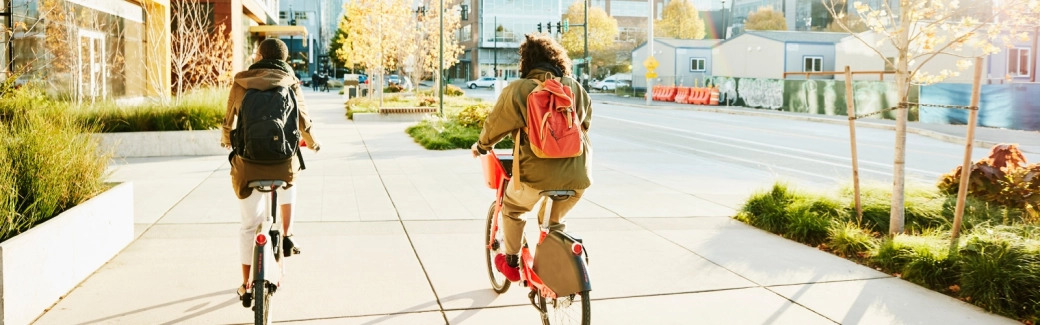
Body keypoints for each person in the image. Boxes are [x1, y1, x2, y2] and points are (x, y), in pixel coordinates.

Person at [470, 33, 593, 282]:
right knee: (553, 221)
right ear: (558, 60)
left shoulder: (518, 90)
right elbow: (586, 124)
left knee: (513, 209)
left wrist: (481, 147)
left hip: (534, 178)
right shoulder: (574, 88)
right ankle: (559, 260)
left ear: (527, 63)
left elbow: (494, 126)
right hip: (578, 177)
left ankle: (512, 263)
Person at [221, 38, 321, 300]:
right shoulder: (290, 81)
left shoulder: (241, 82)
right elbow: (303, 120)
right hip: (281, 165)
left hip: (248, 167)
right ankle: (287, 234)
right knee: (291, 175)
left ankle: (246, 285)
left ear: (258, 56)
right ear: (285, 60)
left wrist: (225, 138)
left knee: (248, 226)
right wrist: (312, 144)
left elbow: (229, 116)